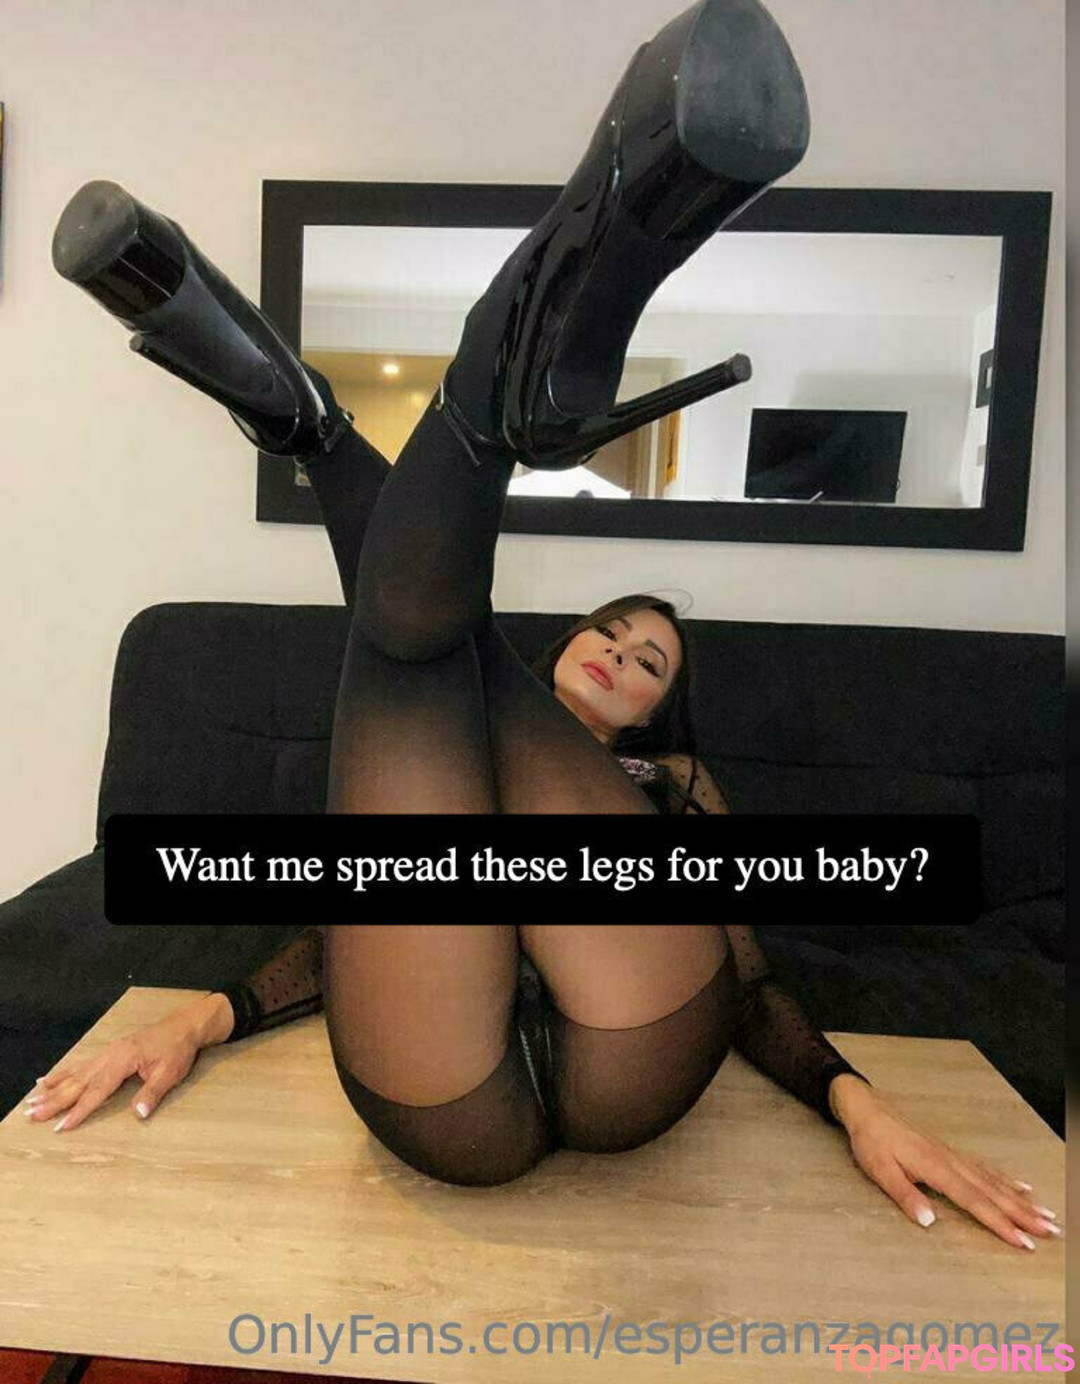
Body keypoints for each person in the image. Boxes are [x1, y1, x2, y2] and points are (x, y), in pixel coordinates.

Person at [29, 0, 1060, 1250]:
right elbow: (352, 928)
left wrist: (860, 1105)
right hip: (446, 1076)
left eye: (648, 661)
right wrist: (199, 1018)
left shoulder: (674, 786)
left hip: (636, 1051)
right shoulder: (437, 741)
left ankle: (339, 419)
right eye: (611, 634)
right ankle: (397, 409)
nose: (620, 654)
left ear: (659, 710)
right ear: (570, 641)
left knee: (423, 647)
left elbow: (746, 978)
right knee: (427, 655)